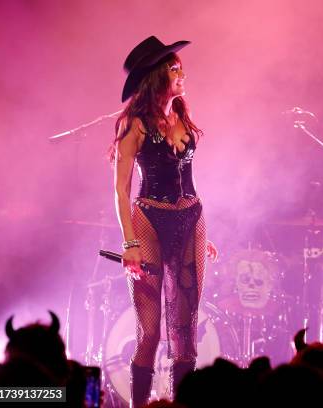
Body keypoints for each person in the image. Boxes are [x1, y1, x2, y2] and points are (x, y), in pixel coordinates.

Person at [111, 36, 218, 407]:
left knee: (185, 333)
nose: (182, 73)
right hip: (150, 220)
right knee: (150, 333)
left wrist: (199, 237)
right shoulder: (134, 124)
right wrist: (129, 243)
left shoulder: (182, 116)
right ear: (157, 76)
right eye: (174, 69)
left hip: (191, 216)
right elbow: (121, 190)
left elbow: (187, 177)